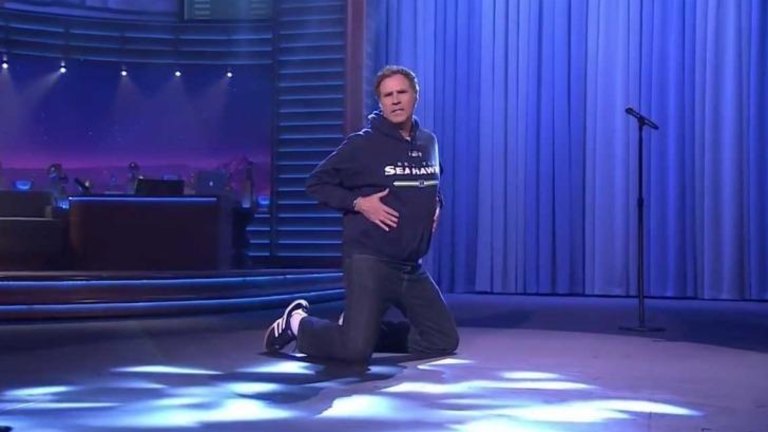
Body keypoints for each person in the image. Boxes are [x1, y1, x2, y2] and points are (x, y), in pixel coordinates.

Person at [263, 65, 459, 363]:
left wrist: (437, 203)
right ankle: (297, 323)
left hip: (410, 266)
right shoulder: (363, 144)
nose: (395, 100)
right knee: (354, 352)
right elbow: (316, 183)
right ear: (380, 102)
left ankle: (356, 330)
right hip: (371, 260)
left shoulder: (427, 142)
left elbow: (433, 180)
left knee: (442, 340)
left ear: (415, 96)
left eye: (402, 92)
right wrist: (359, 203)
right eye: (387, 95)